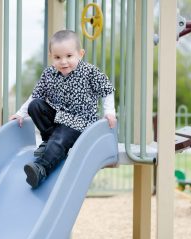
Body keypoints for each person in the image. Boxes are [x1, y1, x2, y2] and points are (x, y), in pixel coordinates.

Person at [9, 30, 116, 189]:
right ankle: (49, 141)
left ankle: (41, 169)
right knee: (36, 105)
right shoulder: (49, 74)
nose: (63, 62)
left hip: (80, 123)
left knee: (61, 137)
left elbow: (106, 89)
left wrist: (109, 112)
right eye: (58, 57)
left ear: (80, 54)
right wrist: (20, 113)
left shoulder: (89, 72)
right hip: (58, 118)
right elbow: (35, 96)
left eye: (69, 56)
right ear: (51, 56)